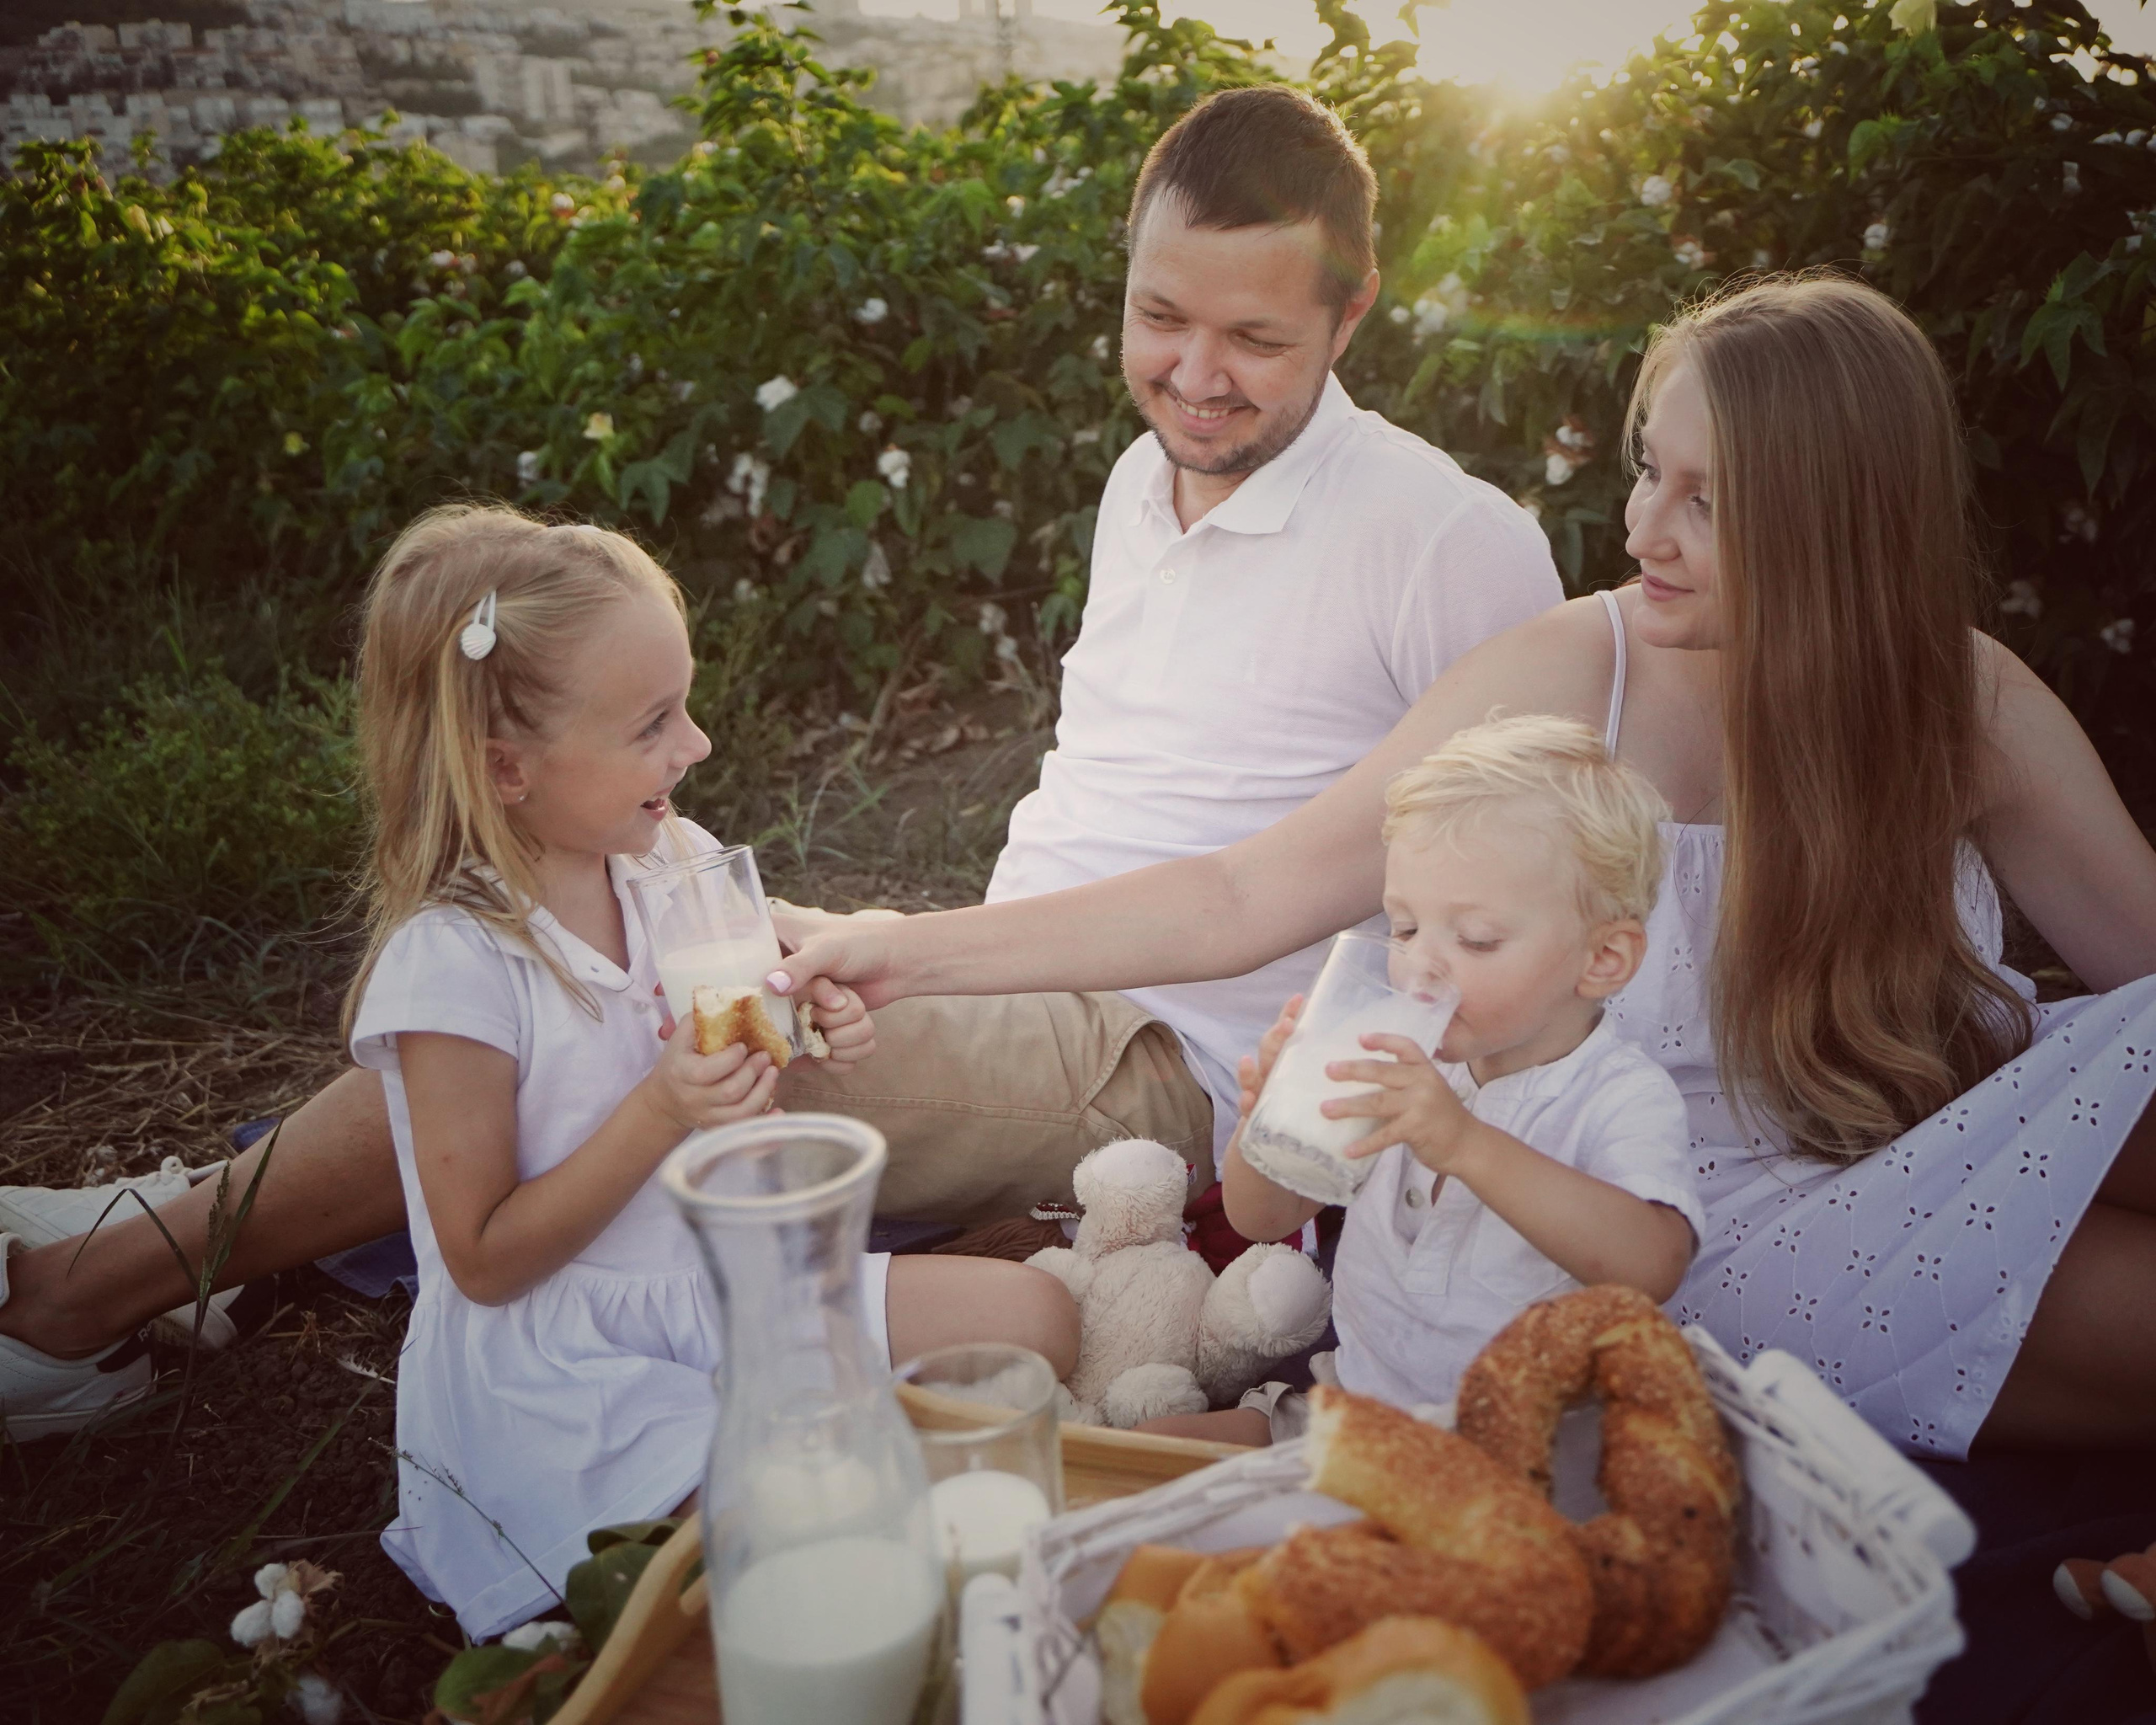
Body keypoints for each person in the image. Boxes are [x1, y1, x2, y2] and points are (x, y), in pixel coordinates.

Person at [0, 83, 1562, 1435]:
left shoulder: (1446, 540)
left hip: (1176, 1056)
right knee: (586, 931)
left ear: (1352, 318)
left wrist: (914, 955)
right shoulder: (1141, 482)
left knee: (694, 1016)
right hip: (1020, 977)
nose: (1196, 375)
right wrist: (918, 957)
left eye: (1256, 338)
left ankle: (95, 1285)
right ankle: (192, 1228)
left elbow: (1452, 882)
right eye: (1161, 317)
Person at [770, 275, 2156, 1456]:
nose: (1638, 530)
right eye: (1645, 471)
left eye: (1705, 502)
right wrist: (907, 946)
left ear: (1838, 524)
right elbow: (1248, 892)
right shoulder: (1573, 677)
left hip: (1929, 1118)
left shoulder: (1958, 699)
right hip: (1661, 1214)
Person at [344, 505, 1076, 1637]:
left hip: (716, 1285)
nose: (696, 747)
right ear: (508, 768)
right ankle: (1049, 1507)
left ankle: (939, 1475)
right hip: (569, 1365)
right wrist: (659, 1109)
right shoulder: (455, 968)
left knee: (1034, 1319)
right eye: (653, 725)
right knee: (802, 1556)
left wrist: (810, 1004)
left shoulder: (665, 860)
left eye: (683, 706)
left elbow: (762, 974)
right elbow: (484, 1262)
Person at [1159, 716, 1703, 1445]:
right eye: (1405, 928)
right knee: (1123, 1464)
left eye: (1475, 938)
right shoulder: (1397, 1061)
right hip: (1351, 1409)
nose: (1421, 965)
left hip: (1520, 1456)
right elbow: (1265, 1219)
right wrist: (1269, 1128)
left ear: (1602, 959)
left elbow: (1654, 1263)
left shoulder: (1615, 1097)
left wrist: (1464, 1142)